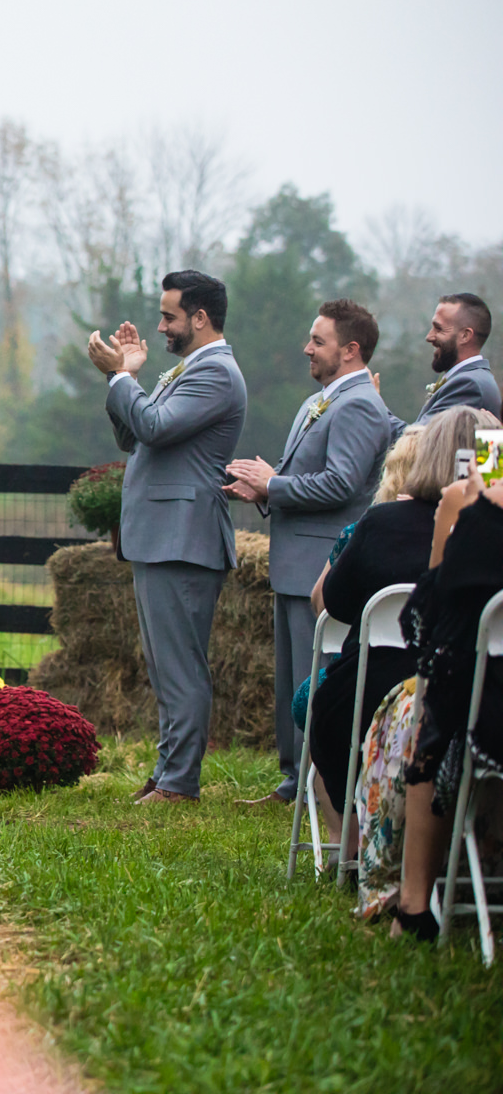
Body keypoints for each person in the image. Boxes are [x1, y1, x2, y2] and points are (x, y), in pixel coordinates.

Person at [87, 270, 246, 805]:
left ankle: (180, 783)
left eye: (169, 316)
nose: (159, 326)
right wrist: (127, 377)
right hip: (163, 535)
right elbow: (136, 432)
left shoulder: (216, 374)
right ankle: (166, 772)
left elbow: (154, 426)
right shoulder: (185, 370)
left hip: (184, 536)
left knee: (180, 667)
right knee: (166, 665)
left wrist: (119, 379)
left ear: (200, 318)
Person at [225, 299, 392, 805]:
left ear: (351, 349)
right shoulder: (321, 399)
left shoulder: (360, 403)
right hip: (294, 562)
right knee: (291, 681)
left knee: (312, 681)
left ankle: (313, 789)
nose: (307, 348)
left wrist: (275, 485)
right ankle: (291, 782)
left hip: (321, 565)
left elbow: (343, 484)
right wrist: (262, 488)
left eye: (318, 341)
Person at [303, 408, 495, 838]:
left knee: (327, 717)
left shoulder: (380, 524)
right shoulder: (491, 530)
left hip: (368, 693)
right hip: (481, 697)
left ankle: (351, 851)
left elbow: (333, 602)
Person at [387, 472, 503, 942]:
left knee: (434, 717)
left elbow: (436, 636)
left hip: (493, 725)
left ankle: (414, 903)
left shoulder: (476, 511)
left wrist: (461, 506)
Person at [388, 292, 499, 436]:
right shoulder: (470, 379)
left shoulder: (470, 384)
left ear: (465, 336)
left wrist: (374, 409)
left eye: (438, 328)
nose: (429, 337)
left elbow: (416, 443)